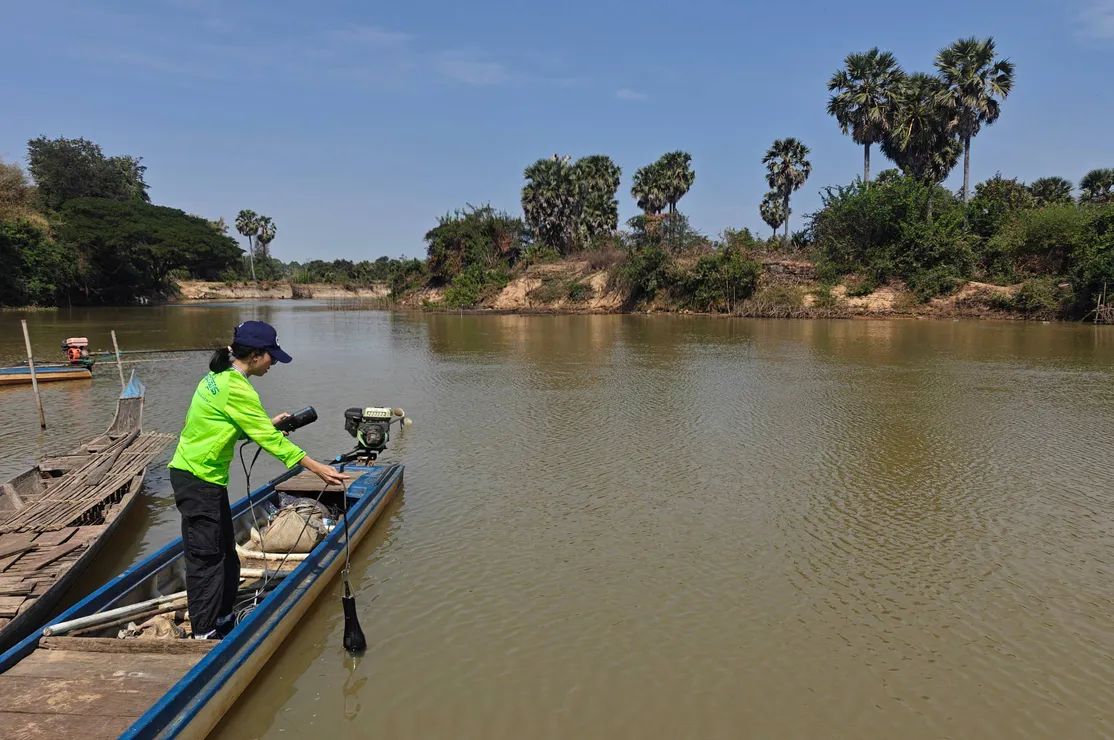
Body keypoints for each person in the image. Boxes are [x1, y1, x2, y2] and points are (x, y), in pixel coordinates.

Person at [167, 320, 347, 639]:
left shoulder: (218, 377)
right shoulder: (236, 387)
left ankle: (222, 619)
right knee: (206, 560)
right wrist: (317, 467)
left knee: (225, 555)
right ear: (256, 356)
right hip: (197, 480)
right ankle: (204, 634)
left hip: (203, 477)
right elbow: (271, 441)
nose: (274, 363)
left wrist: (265, 424)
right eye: (272, 357)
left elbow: (219, 424)